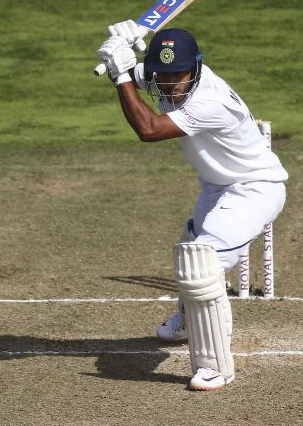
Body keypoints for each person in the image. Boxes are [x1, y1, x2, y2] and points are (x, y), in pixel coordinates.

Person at [95, 20, 288, 391]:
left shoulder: (208, 100)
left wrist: (120, 74)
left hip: (255, 188)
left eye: (178, 75)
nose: (169, 85)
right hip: (217, 186)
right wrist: (123, 48)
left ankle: (216, 367)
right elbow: (136, 76)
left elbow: (148, 129)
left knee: (204, 267)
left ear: (196, 68)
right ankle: (190, 320)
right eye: (162, 75)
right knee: (191, 248)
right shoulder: (165, 75)